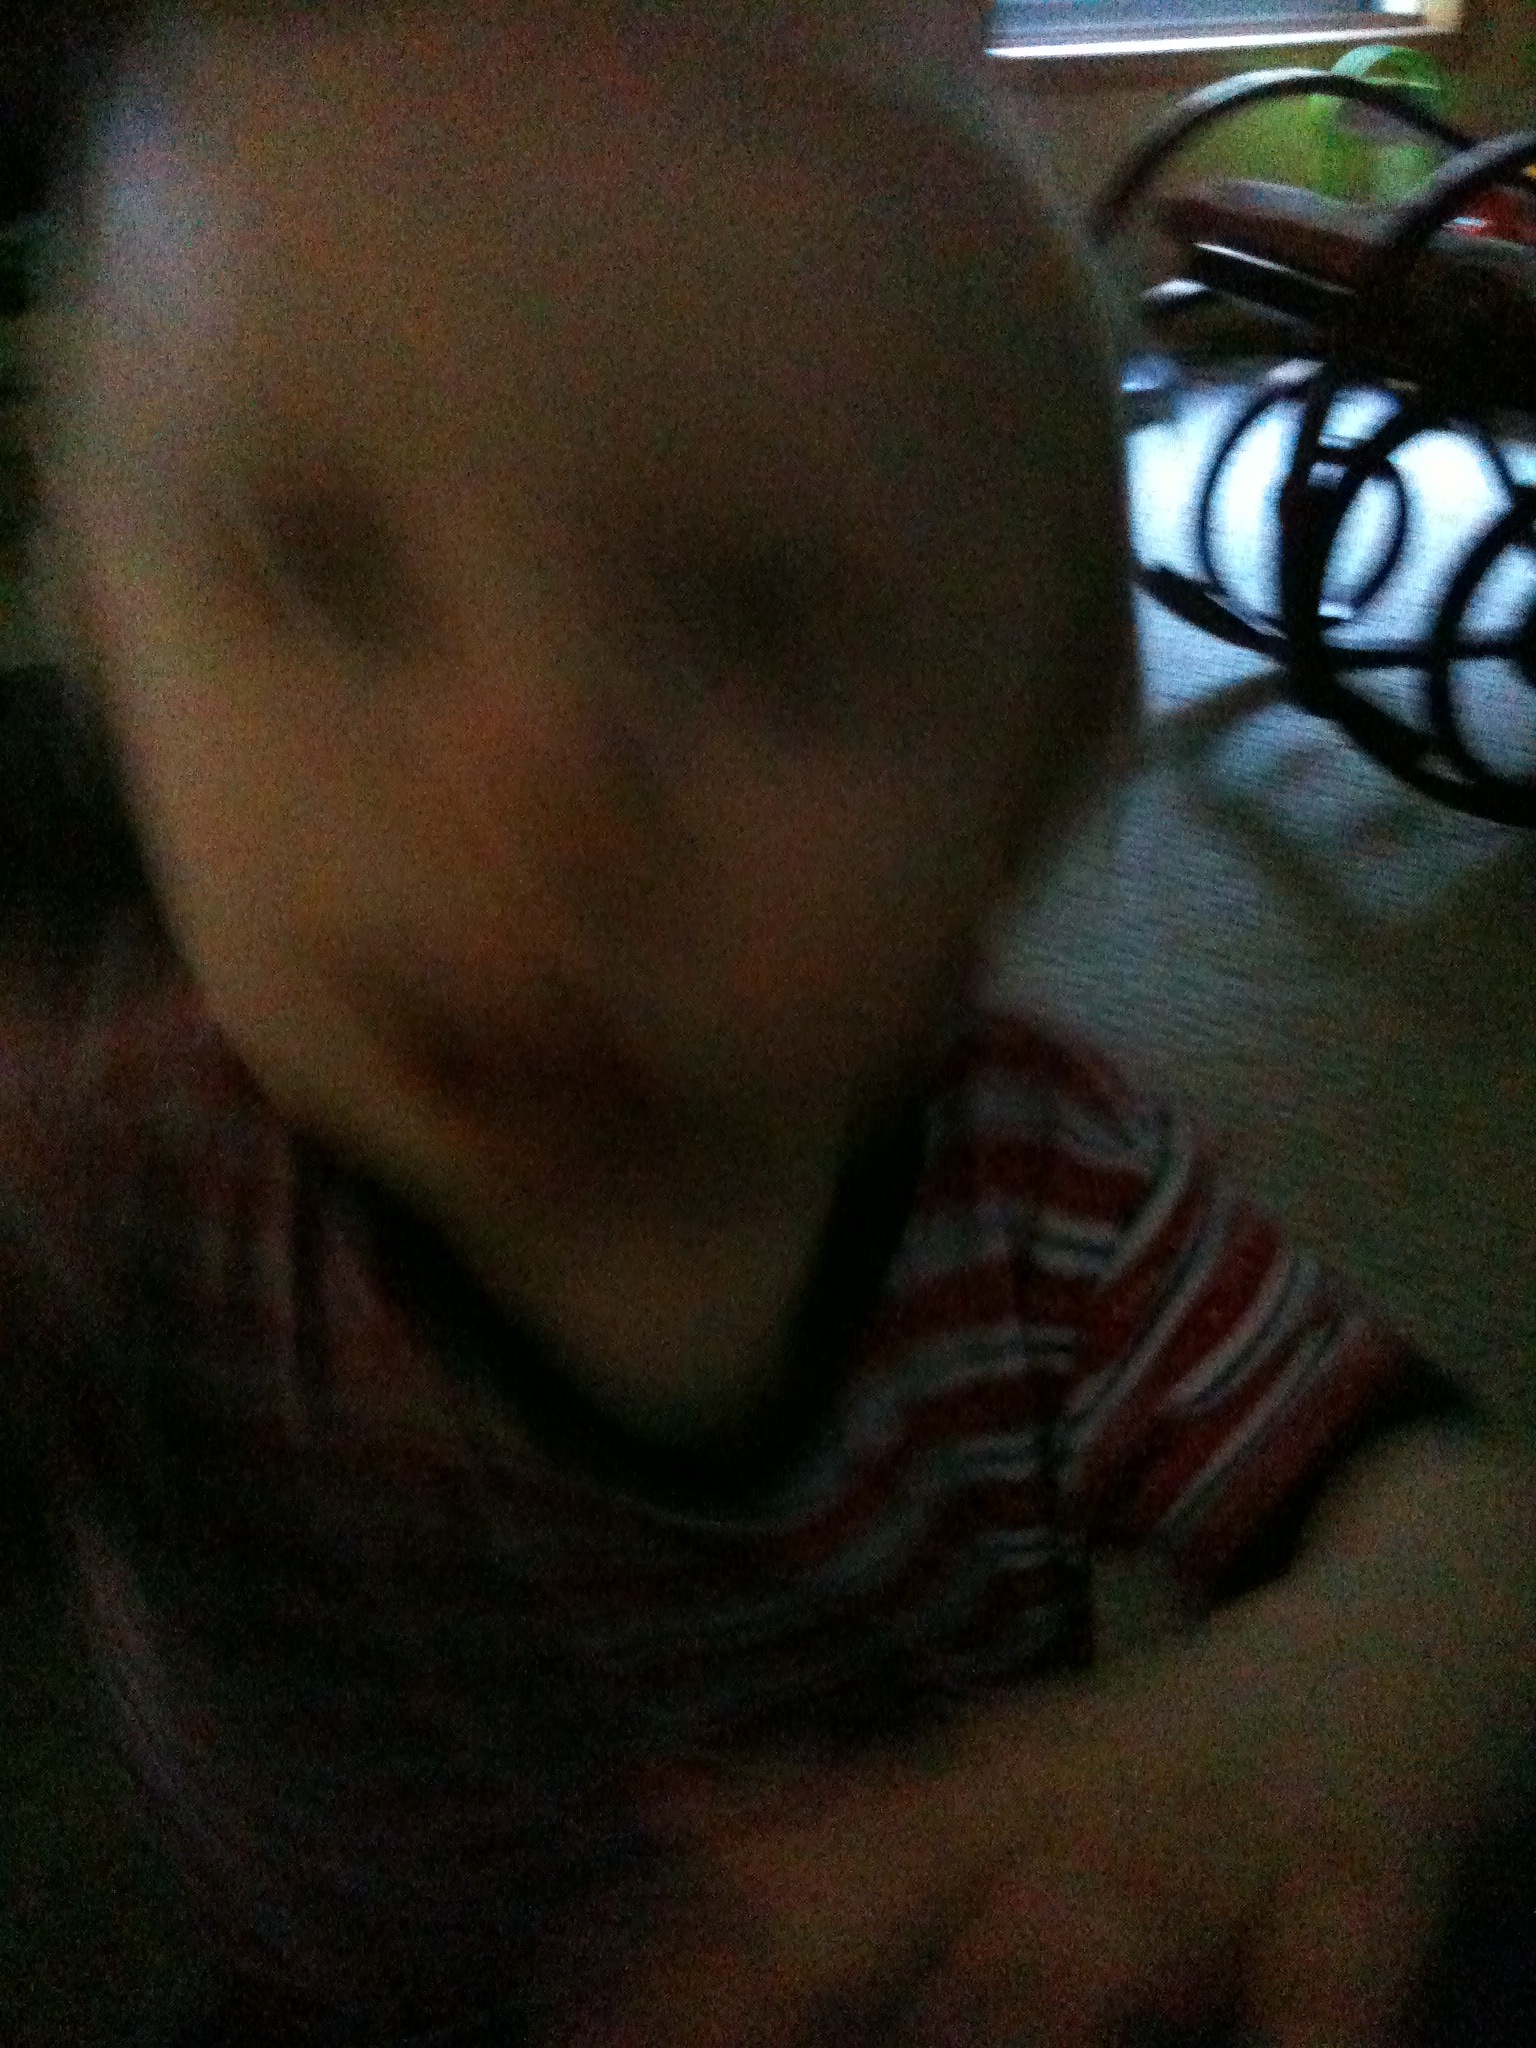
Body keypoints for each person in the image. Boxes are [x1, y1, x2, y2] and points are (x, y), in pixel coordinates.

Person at [1, 3, 1531, 2044]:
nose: (530, 794)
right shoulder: (114, 1168)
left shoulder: (1038, 1193)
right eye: (322, 568)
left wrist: (1333, 1702)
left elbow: (1461, 1526)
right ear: (106, 662)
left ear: (1015, 794)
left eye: (765, 617)